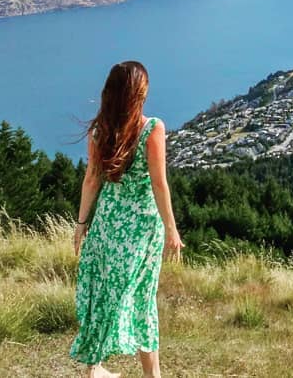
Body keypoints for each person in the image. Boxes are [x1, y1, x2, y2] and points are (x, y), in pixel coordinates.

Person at [70, 61, 185, 378]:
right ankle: (152, 376)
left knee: (102, 294)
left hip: (107, 224)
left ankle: (94, 369)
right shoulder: (152, 128)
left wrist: (81, 225)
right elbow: (159, 184)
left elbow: (91, 180)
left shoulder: (99, 131)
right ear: (139, 95)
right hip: (141, 229)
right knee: (141, 300)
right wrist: (172, 230)